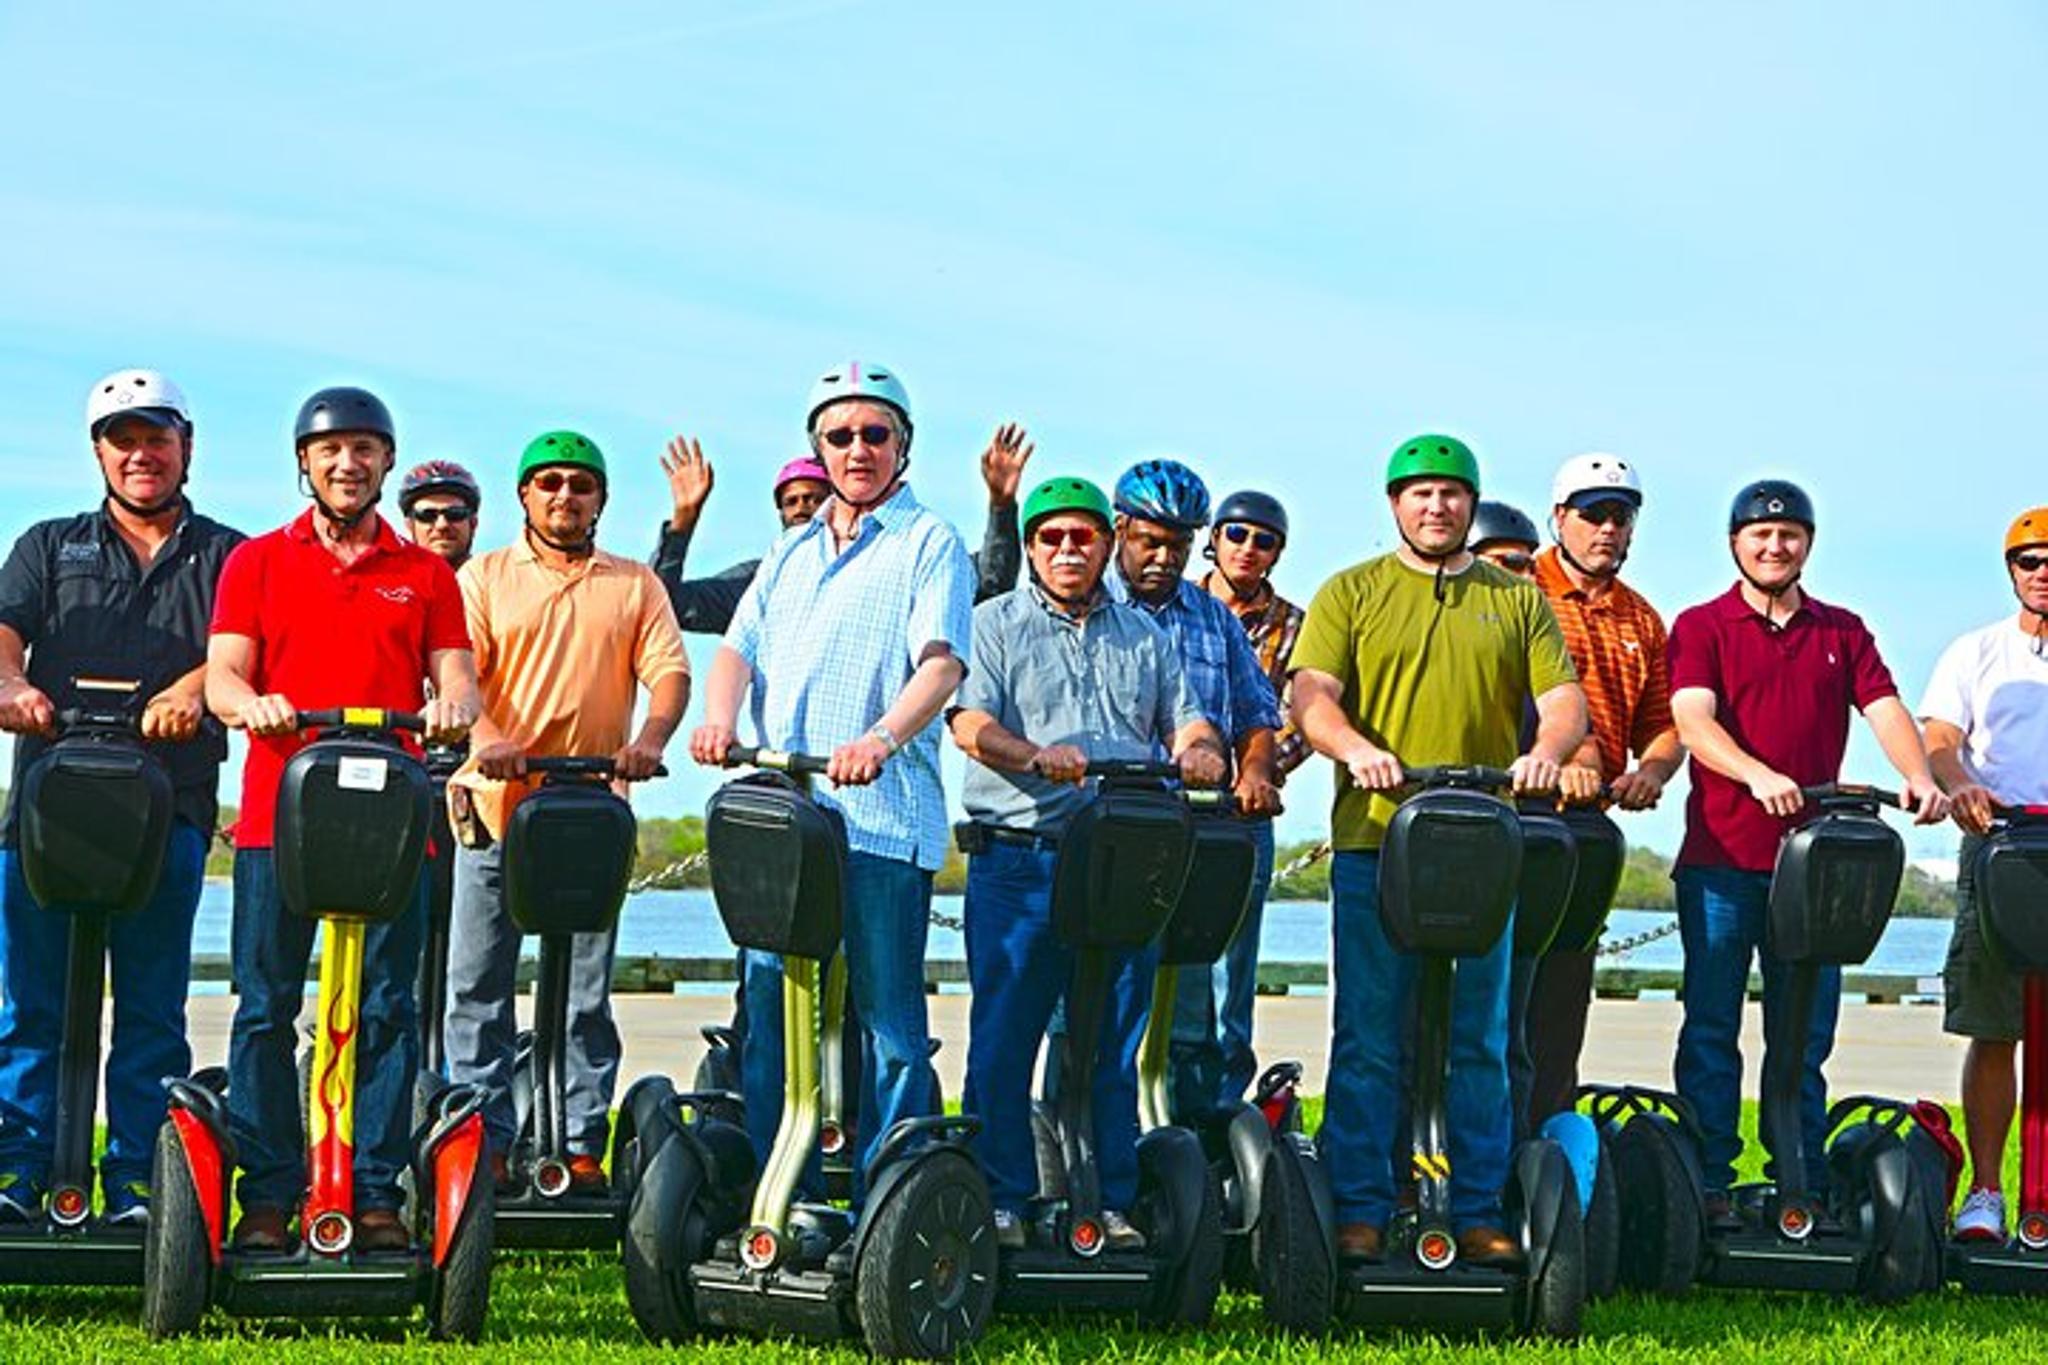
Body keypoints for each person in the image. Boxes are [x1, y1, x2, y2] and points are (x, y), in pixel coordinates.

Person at [1288, 434, 1586, 1267]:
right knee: (1369, 1034)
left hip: (1482, 845)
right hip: (1375, 839)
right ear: (1394, 504)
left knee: (1480, 1036)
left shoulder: (1516, 597)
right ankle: (1360, 1203)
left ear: (1470, 502)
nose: (1436, 506)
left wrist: (1548, 752)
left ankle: (1481, 1203)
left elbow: (1563, 699)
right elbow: (1312, 695)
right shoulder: (1352, 591)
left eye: (1451, 494)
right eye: (1419, 493)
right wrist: (1352, 749)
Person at [205, 386, 480, 1253]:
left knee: (390, 1005)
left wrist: (450, 711)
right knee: (265, 1004)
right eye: (331, 450)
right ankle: (269, 1191)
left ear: (386, 463)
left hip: (393, 819)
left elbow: (461, 681)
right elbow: (221, 679)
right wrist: (258, 705)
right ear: (305, 463)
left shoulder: (425, 573)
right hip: (277, 820)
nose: (347, 464)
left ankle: (373, 1189)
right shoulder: (256, 562)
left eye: (365, 449)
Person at [688, 361, 975, 1189]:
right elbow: (737, 649)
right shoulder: (790, 550)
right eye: (841, 436)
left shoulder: (931, 543)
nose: (859, 450)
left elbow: (942, 664)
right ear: (818, 446)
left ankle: (893, 1191)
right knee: (775, 1014)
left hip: (881, 819)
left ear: (903, 447)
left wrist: (882, 738)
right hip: (787, 820)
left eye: (875, 435)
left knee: (889, 1025)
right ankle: (787, 1187)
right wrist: (721, 721)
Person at [951, 476, 1225, 1249]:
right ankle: (1002, 1200)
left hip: (1122, 865)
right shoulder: (993, 624)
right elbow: (969, 724)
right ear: (1033, 546)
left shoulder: (1145, 633)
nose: (1068, 551)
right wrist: (1035, 756)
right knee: (1006, 1039)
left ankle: (1107, 1202)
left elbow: (1187, 717)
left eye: (1082, 538)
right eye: (1051, 538)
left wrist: (1201, 750)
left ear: (1107, 544)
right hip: (1022, 862)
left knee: (1112, 1043)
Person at [1666, 478, 1947, 1227]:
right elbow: (1693, 720)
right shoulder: (1703, 624)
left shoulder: (1841, 630)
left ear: (1808, 545)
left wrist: (1917, 775)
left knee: (1803, 1032)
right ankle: (1710, 1180)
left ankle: (1802, 1179)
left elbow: (1885, 706)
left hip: (1816, 871)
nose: (1774, 545)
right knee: (1711, 1024)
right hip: (1722, 859)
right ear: (1735, 544)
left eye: (1789, 534)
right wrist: (1758, 773)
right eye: (1759, 534)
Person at [0, 370, 242, 1224]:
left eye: (157, 437)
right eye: (122, 438)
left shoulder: (230, 555)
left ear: (186, 445)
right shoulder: (47, 544)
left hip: (166, 809)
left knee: (149, 1009)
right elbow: (4, 633)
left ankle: (139, 1183)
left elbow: (247, 653)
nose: (141, 453)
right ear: (99, 450)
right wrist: (12, 686)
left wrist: (190, 688)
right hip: (46, 814)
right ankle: (20, 1175)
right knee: (30, 1007)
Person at [443, 432, 689, 1190]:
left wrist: (649, 739)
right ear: (524, 495)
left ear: (600, 499)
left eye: (580, 485)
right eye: (547, 483)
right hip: (495, 802)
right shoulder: (483, 577)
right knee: (476, 983)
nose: (563, 496)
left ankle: (579, 1140)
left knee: (585, 986)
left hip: (588, 806)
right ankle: (482, 1138)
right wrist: (488, 739)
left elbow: (670, 670)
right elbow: (459, 676)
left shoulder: (633, 582)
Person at [1523, 455, 1684, 1128]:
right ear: (1559, 516)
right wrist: (1573, 753)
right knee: (1491, 1001)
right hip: (1519, 809)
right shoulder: (1518, 587)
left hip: (1589, 824)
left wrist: (1652, 769)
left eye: (1621, 516)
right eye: (1593, 514)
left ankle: (1550, 1141)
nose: (1607, 529)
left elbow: (1665, 723)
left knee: (1563, 1001)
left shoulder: (1642, 618)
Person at [1919, 507, 2048, 1242]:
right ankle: (1988, 1191)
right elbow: (1941, 736)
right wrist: (1959, 783)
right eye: (2029, 561)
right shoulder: (1978, 652)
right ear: (2012, 571)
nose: (2042, 573)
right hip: (2001, 844)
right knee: (1995, 1026)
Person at [1166, 487, 1300, 1112]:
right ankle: (1157, 1097)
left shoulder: (1296, 626)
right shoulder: (1172, 605)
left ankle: (1221, 1107)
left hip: (1241, 809)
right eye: (1237, 534)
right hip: (1165, 806)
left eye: (1264, 539)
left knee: (1230, 972)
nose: (1249, 548)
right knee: (1167, 973)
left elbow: (1290, 717)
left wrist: (1260, 771)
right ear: (1213, 539)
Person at [652, 421, 1033, 633]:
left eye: (816, 498)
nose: (803, 507)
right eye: (791, 501)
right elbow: (667, 607)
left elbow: (989, 586)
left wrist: (1001, 506)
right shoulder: (763, 580)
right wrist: (683, 522)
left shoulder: (907, 559)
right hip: (785, 758)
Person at [397, 460, 483, 572]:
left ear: (473, 523)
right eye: (427, 515)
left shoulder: (495, 582)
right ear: (409, 525)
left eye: (455, 514)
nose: (442, 525)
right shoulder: (389, 584)